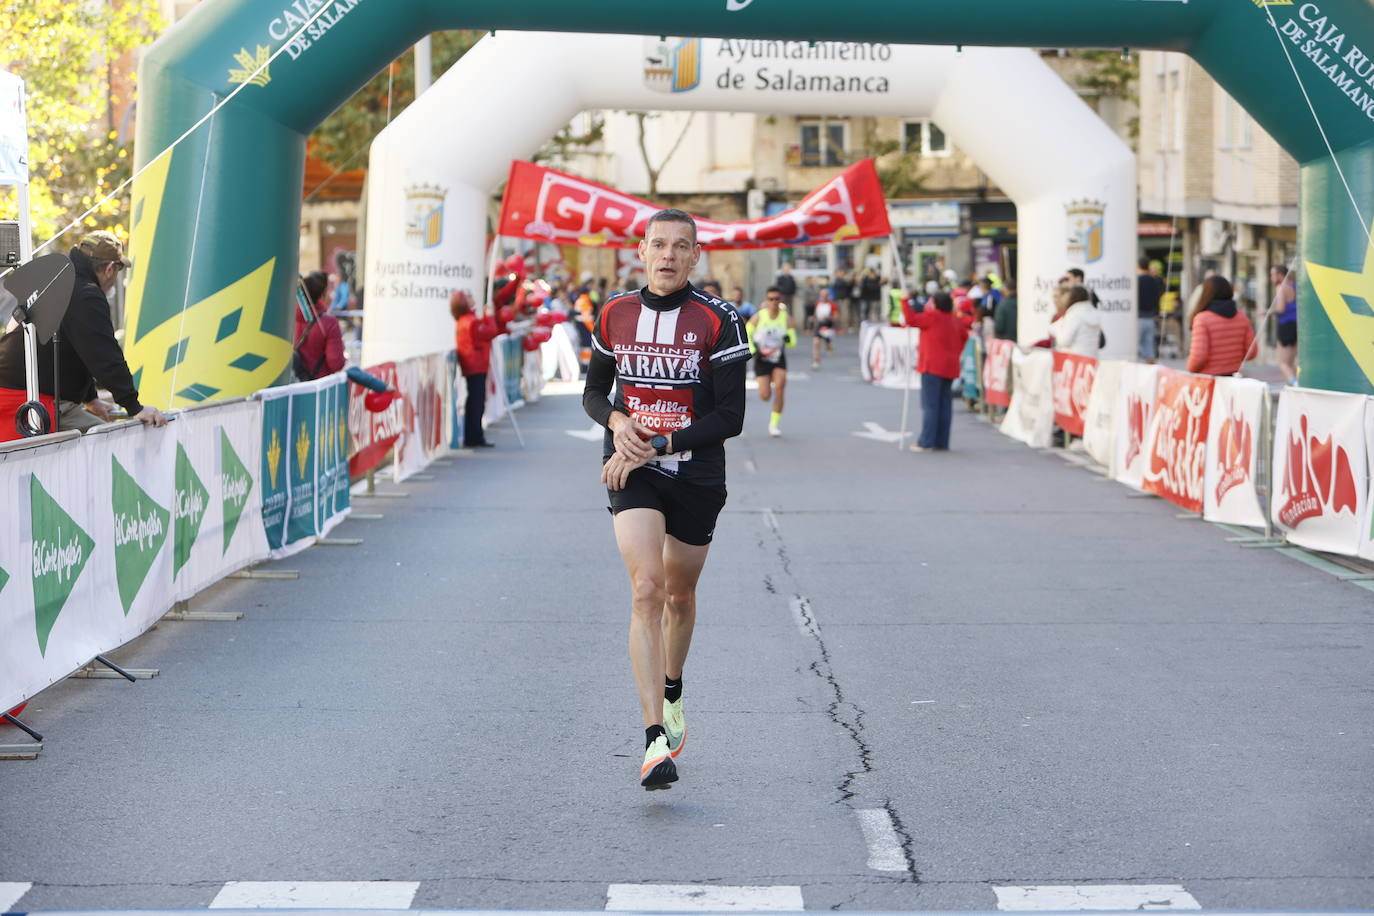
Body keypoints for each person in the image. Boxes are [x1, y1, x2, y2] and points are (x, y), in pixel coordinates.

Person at [581, 208, 750, 791]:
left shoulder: (720, 319)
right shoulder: (615, 313)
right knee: (646, 589)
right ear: (642, 251)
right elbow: (593, 392)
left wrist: (663, 442)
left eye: (681, 246)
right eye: (659, 245)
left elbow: (732, 416)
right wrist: (618, 419)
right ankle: (654, 738)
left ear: (695, 256)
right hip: (633, 473)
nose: (668, 256)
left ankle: (673, 687)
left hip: (697, 473)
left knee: (680, 592)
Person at [0, 230, 166, 439]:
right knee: (114, 443)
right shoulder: (86, 295)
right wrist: (135, 407)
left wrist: (91, 399)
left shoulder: (55, 281)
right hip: (33, 401)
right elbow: (104, 355)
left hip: (13, 393)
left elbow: (77, 347)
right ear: (109, 269)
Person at [902, 291, 969, 452]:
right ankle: (941, 441)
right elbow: (964, 337)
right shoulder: (955, 320)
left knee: (930, 405)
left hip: (932, 366)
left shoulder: (932, 317)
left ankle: (926, 441)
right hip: (950, 366)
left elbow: (910, 319)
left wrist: (905, 301)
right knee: (945, 405)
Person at [451, 290, 503, 448]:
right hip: (476, 365)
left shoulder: (466, 320)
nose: (473, 298)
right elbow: (491, 332)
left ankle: (473, 435)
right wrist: (490, 316)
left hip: (474, 364)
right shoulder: (471, 321)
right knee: (476, 401)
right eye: (469, 297)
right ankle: (474, 436)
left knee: (474, 401)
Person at [747, 286, 795, 437]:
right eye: (771, 299)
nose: (774, 302)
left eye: (777, 299)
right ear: (766, 301)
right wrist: (753, 348)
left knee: (780, 387)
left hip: (778, 357)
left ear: (781, 300)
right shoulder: (759, 317)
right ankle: (766, 389)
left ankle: (773, 425)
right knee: (765, 395)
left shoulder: (786, 318)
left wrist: (788, 339)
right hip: (762, 358)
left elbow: (792, 342)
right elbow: (747, 332)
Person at [1187, 276, 1255, 377]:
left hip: (1209, 381)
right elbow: (1252, 351)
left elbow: (1199, 357)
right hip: (1233, 378)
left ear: (1206, 293)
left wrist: (1190, 368)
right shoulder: (1242, 317)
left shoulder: (1202, 319)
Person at [294, 271, 345, 381]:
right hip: (319, 387)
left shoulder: (288, 317)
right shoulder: (328, 322)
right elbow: (336, 363)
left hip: (289, 386)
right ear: (323, 294)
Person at [1048, 285, 1103, 357]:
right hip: (1091, 360)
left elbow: (1064, 341)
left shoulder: (1074, 314)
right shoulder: (1093, 313)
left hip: (1076, 360)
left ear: (1072, 297)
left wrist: (1056, 327)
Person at [1267, 264, 1298, 385]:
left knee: (1283, 363)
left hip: (1285, 325)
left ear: (1280, 275)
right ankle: (1292, 387)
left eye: (1273, 274)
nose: (1271, 277)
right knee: (1291, 362)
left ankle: (1295, 384)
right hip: (1295, 325)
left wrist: (1267, 312)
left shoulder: (1281, 287)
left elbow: (1280, 308)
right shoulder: (1295, 286)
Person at [1137, 257, 1162, 363]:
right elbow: (1157, 297)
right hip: (1150, 316)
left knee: (1135, 346)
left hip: (1138, 317)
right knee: (1149, 346)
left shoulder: (1136, 280)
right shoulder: (1154, 280)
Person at [811, 286, 837, 369]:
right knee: (816, 342)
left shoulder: (832, 305)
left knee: (827, 346)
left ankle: (829, 346)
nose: (823, 297)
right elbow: (815, 314)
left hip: (828, 326)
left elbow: (836, 317)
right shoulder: (818, 303)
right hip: (819, 325)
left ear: (827, 296)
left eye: (825, 295)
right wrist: (813, 318)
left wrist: (829, 318)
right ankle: (816, 361)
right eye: (821, 295)